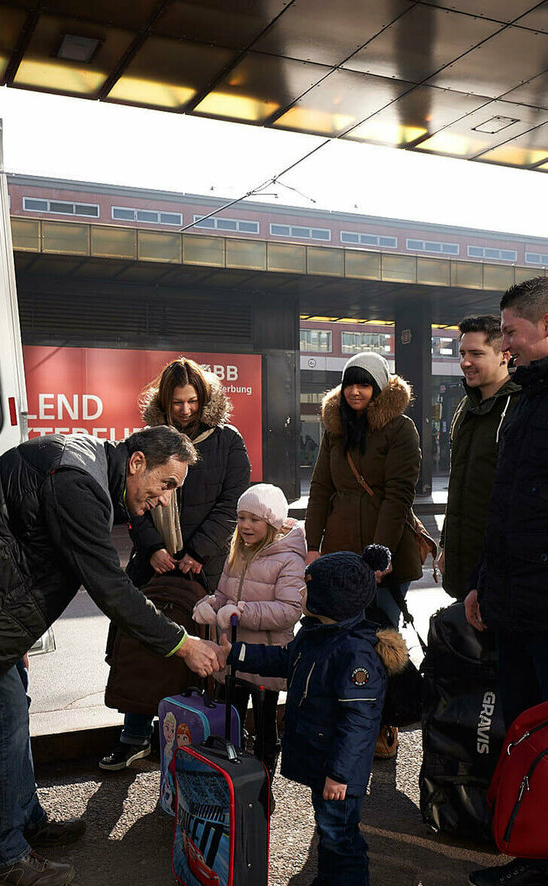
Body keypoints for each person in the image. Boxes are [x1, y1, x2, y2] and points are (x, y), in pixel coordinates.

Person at [0, 426, 222, 886]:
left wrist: (15, 638)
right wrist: (182, 644)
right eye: (166, 484)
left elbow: (15, 542)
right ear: (136, 463)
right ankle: (0, 855)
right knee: (2, 713)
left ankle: (25, 819)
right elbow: (110, 587)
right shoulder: (79, 486)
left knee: (13, 704)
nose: (166, 500)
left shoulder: (85, 464)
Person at [220, 544, 408, 886]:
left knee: (341, 832)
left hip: (340, 770)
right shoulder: (316, 634)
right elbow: (282, 661)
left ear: (330, 599)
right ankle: (329, 883)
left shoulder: (356, 653)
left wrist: (340, 774)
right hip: (321, 759)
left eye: (308, 589)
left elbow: (358, 723)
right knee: (327, 827)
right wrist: (237, 654)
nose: (302, 595)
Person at [100, 357, 250, 772]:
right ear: (163, 403)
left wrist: (197, 553)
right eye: (176, 402)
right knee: (141, 644)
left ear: (205, 399)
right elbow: (132, 500)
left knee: (200, 652)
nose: (185, 409)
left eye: (192, 400)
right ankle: (133, 736)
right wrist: (152, 548)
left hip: (206, 567)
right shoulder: (147, 439)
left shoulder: (227, 441)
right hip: (154, 565)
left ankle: (194, 738)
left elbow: (231, 504)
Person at [465, 276, 548, 886]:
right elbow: (506, 506)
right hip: (516, 602)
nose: (507, 345)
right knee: (525, 732)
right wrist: (484, 585)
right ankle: (535, 853)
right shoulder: (525, 398)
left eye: (512, 333)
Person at [192, 483, 306, 779]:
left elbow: (288, 610)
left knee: (266, 728)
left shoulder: (288, 558)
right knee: (230, 724)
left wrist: (242, 612)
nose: (245, 526)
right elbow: (222, 593)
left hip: (265, 658)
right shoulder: (236, 552)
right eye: (241, 518)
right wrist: (209, 605)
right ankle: (233, 781)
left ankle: (262, 785)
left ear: (271, 523)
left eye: (254, 520)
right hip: (232, 656)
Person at [304, 351, 422, 630]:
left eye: (364, 385)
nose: (354, 392)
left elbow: (398, 496)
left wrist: (380, 553)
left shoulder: (400, 429)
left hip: (386, 549)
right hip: (339, 550)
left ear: (379, 388)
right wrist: (311, 546)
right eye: (349, 385)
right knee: (338, 632)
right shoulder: (335, 429)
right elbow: (320, 488)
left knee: (381, 636)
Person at [438, 315, 520, 600]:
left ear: (504, 356)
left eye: (476, 354)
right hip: (464, 563)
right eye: (463, 353)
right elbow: (458, 484)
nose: (465, 362)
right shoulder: (465, 406)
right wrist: (446, 544)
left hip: (502, 572)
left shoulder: (520, 407)